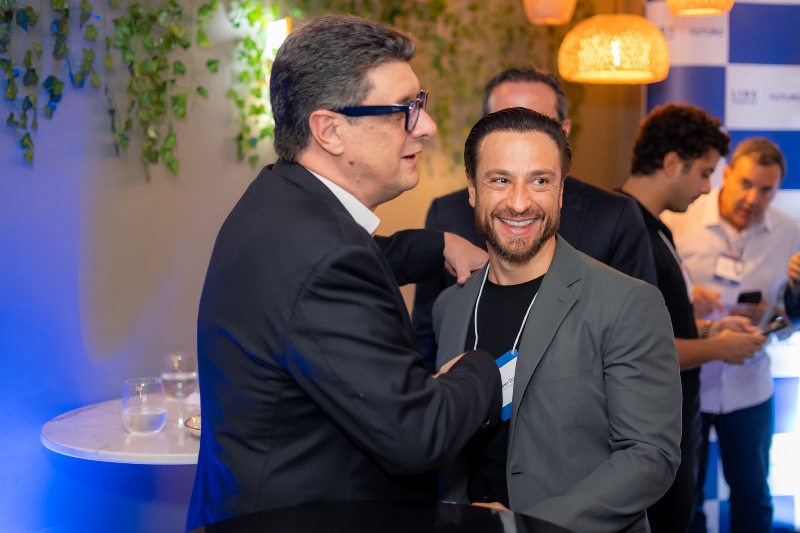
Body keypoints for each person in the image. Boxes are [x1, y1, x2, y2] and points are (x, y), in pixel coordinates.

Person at [186, 15, 504, 529]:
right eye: (405, 110)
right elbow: (418, 434)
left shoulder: (279, 200)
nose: (426, 126)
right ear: (330, 130)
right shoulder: (327, 258)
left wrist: (437, 245)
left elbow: (352, 259)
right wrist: (481, 367)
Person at [433, 107, 682, 533]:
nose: (519, 202)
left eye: (540, 181)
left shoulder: (626, 302)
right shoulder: (449, 306)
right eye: (500, 180)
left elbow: (649, 457)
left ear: (562, 191)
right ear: (472, 190)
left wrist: (525, 527)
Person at [413, 67, 656, 370]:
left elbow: (637, 336)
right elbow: (426, 336)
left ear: (564, 130)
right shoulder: (446, 214)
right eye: (506, 119)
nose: (519, 204)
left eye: (538, 120)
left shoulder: (614, 216)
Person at [620, 104, 768, 533]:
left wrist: (708, 329)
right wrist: (719, 347)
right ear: (671, 164)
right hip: (650, 431)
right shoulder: (628, 231)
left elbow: (659, 328)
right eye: (704, 173)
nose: (706, 189)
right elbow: (640, 351)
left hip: (673, 423)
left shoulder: (656, 228)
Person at [660, 137, 800, 533]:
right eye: (746, 184)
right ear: (727, 174)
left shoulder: (789, 233)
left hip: (749, 386)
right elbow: (647, 302)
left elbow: (790, 322)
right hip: (687, 384)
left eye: (767, 190)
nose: (754, 198)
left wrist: (775, 312)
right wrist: (687, 298)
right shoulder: (680, 219)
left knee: (753, 495)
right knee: (686, 499)